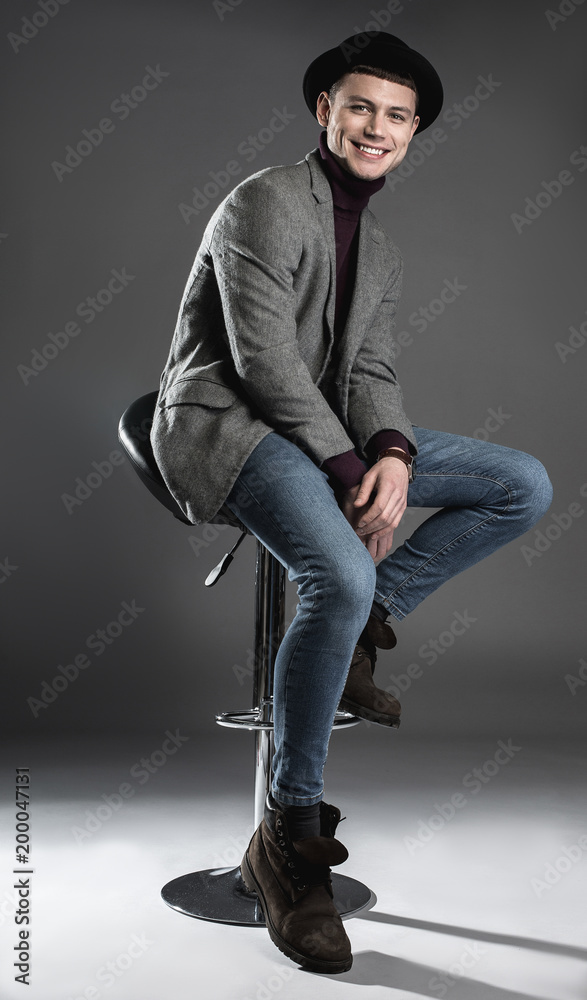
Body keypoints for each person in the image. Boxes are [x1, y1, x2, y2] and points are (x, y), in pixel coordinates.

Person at [151, 32, 552, 974]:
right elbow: (261, 363)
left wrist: (394, 456)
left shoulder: (382, 251)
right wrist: (350, 471)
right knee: (335, 569)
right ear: (324, 110)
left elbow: (368, 373)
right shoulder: (262, 201)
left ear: (413, 133)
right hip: (227, 426)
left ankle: (369, 620)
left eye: (397, 116)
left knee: (519, 484)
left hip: (317, 430)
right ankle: (287, 840)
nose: (378, 127)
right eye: (361, 106)